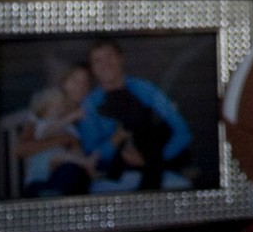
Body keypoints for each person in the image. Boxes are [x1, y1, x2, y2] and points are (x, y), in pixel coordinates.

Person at [75, 38, 194, 193]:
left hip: (158, 168)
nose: (105, 64)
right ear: (92, 68)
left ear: (121, 58)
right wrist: (115, 140)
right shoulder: (90, 103)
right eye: (98, 60)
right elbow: (91, 152)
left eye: (110, 56)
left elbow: (182, 132)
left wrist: (152, 159)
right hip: (112, 176)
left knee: (181, 188)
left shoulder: (145, 90)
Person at [14, 64, 98, 198]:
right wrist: (62, 139)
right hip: (43, 177)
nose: (80, 86)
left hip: (76, 175)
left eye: (85, 82)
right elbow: (20, 149)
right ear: (64, 82)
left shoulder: (90, 112)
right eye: (75, 80)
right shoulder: (46, 108)